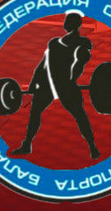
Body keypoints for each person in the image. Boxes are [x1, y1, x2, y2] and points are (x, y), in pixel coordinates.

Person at [16, 11, 99, 161]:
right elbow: (44, 65)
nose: (64, 23)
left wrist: (69, 81)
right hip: (49, 84)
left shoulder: (81, 44)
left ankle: (92, 146)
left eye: (67, 21)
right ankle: (27, 144)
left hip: (65, 85)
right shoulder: (54, 43)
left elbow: (79, 66)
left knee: (80, 116)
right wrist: (34, 82)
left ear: (73, 24)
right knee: (35, 112)